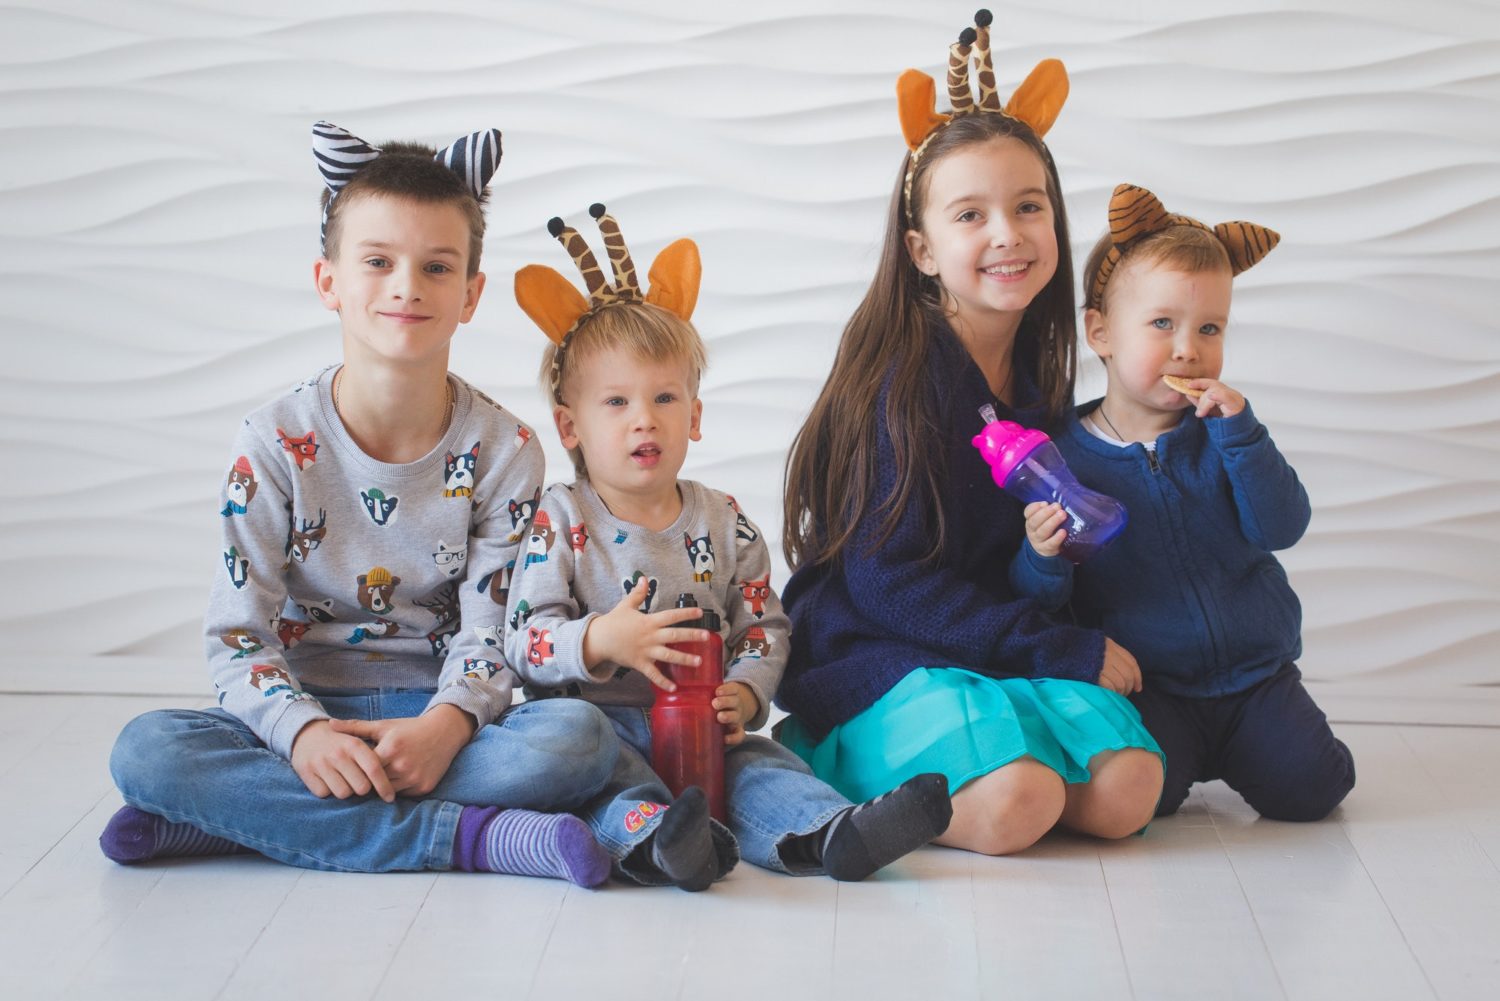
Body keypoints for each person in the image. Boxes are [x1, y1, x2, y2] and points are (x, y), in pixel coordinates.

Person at [100, 121, 618, 885]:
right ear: (329, 281)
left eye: (436, 266)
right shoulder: (272, 442)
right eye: (378, 261)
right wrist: (303, 734)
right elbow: (239, 637)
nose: (407, 286)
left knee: (580, 738)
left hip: (440, 715)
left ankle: (240, 821)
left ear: (471, 294)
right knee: (148, 751)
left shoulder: (506, 449)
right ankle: (474, 838)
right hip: (303, 708)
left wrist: (446, 724)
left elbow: (493, 629)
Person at [775, 11, 1165, 856]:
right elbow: (889, 586)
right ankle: (829, 755)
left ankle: (992, 738)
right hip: (881, 650)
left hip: (980, 647)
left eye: (1028, 206)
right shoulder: (900, 385)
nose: (1006, 234)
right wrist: (1055, 648)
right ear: (921, 250)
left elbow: (1024, 565)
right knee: (1021, 801)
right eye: (970, 215)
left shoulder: (1034, 383)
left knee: (1130, 786)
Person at [505, 205, 953, 890]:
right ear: (570, 426)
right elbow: (524, 638)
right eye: (616, 403)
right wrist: (598, 639)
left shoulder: (724, 519)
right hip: (604, 728)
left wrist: (744, 694)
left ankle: (832, 832)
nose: (644, 419)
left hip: (703, 727)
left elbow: (763, 625)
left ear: (695, 415)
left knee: (763, 767)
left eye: (664, 398)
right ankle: (667, 842)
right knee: (606, 780)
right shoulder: (560, 518)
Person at [1009, 183, 1355, 821]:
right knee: (1144, 801)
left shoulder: (1226, 436)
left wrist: (1242, 436)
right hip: (1150, 686)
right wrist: (1042, 554)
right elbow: (1043, 599)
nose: (1187, 349)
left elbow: (1283, 527)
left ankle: (1281, 745)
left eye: (1209, 328)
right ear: (1101, 331)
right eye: (1162, 323)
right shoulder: (1060, 457)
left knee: (1312, 790)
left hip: (1256, 677)